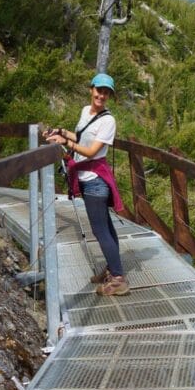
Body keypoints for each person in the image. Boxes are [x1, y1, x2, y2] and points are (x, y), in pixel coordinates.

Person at [43, 73, 129, 297]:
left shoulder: (108, 121)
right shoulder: (85, 111)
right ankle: (113, 269)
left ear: (109, 96)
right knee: (106, 227)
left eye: (106, 92)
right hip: (88, 179)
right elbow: (81, 139)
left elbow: (91, 151)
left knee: (100, 230)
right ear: (91, 89)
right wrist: (61, 132)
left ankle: (118, 278)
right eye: (98, 90)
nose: (101, 95)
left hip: (95, 182)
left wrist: (66, 142)